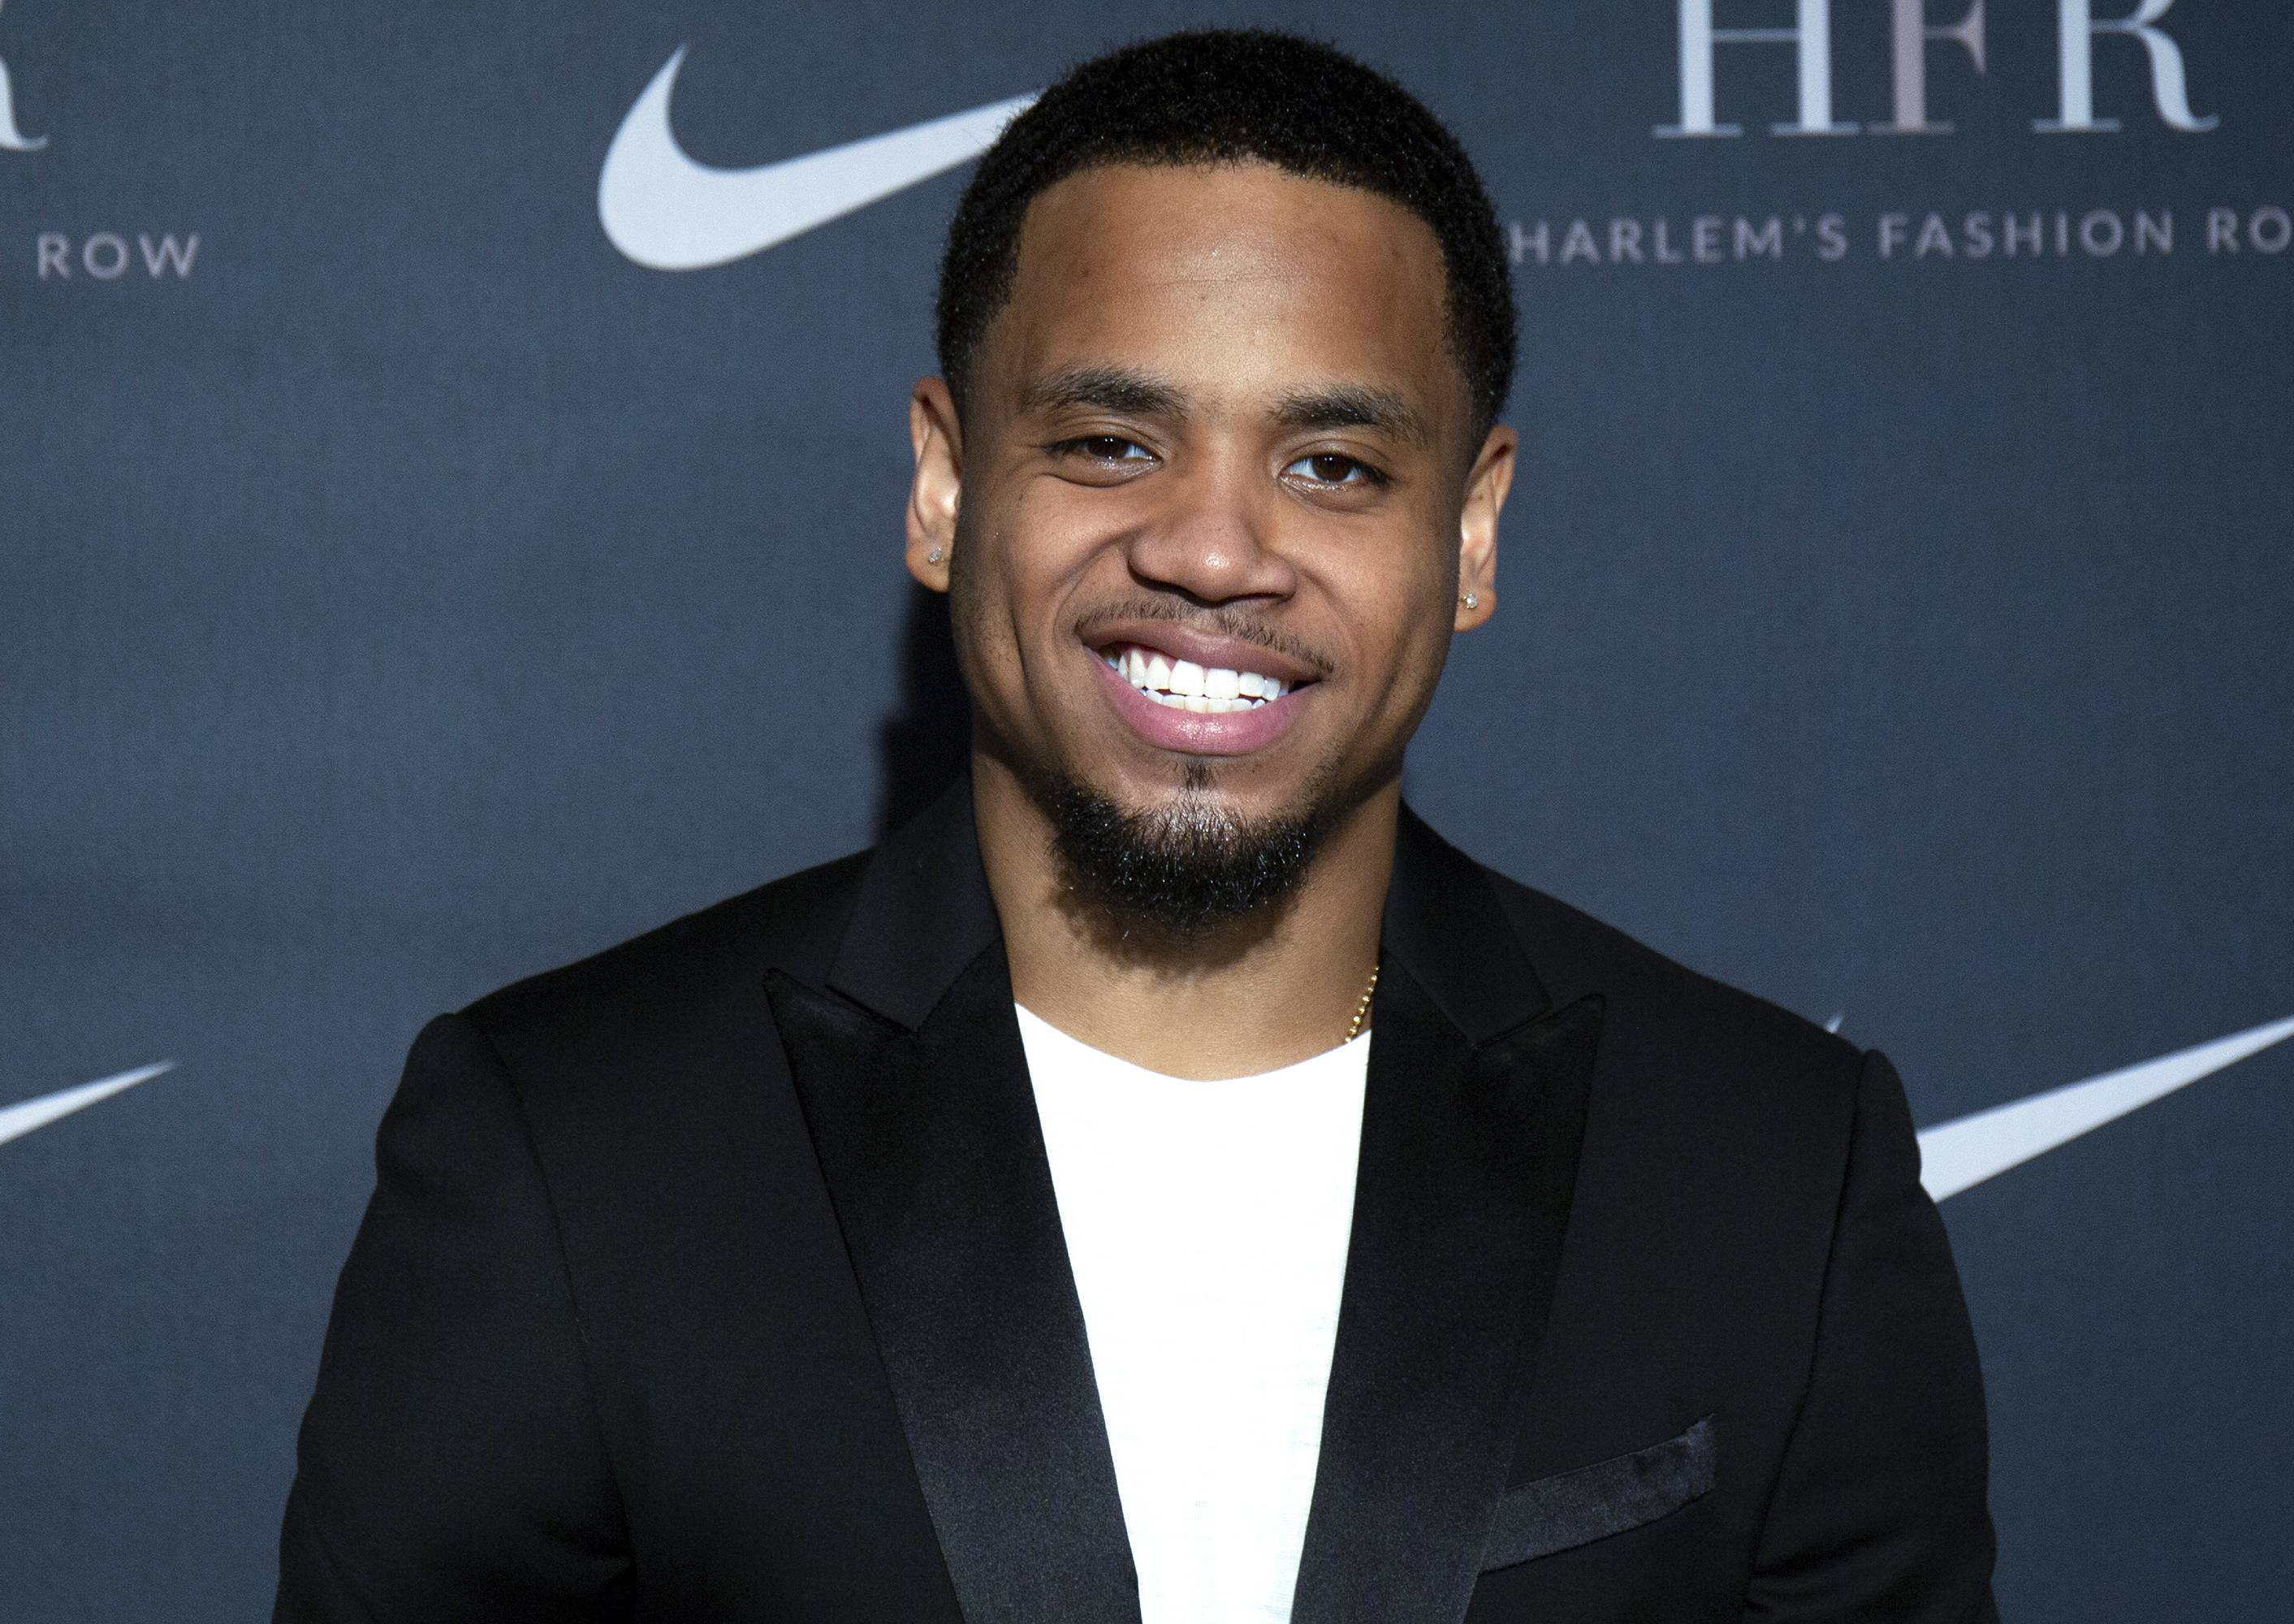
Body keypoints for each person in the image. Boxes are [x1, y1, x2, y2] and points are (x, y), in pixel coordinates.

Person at [276, 27, 1996, 1623]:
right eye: (1111, 442)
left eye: (1332, 465)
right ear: (946, 486)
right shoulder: (573, 1154)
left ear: (1473, 534)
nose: (1215, 549)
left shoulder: (1773, 1174)